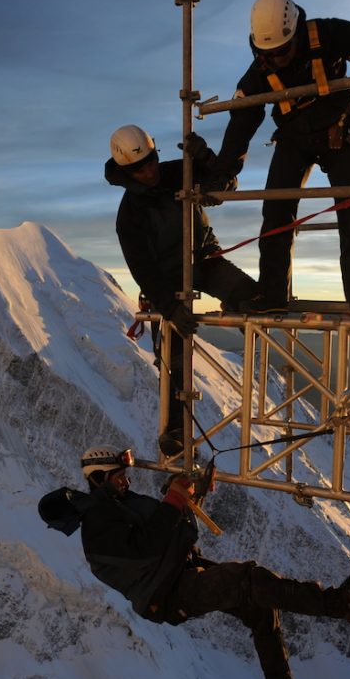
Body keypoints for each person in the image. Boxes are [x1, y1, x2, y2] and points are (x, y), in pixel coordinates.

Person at [37, 445, 350, 679]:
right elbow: (147, 546)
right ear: (99, 479)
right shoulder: (98, 524)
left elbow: (164, 533)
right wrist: (173, 502)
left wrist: (187, 498)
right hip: (170, 593)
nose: (126, 481)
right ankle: (342, 605)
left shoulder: (116, 508)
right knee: (248, 579)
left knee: (259, 606)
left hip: (179, 579)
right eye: (119, 476)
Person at [210, 0, 350, 316]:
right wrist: (225, 172)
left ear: (295, 32)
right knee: (276, 214)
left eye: (281, 51)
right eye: (269, 54)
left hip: (340, 130)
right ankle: (273, 295)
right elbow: (242, 121)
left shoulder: (324, 35)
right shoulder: (259, 71)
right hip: (294, 138)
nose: (276, 59)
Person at [106, 124, 258, 456]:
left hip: (203, 259)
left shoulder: (179, 172)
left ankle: (243, 314)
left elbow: (225, 185)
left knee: (254, 300)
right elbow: (142, 268)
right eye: (139, 169)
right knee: (175, 358)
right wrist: (170, 309)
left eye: (151, 162)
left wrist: (203, 157)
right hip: (167, 281)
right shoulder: (129, 215)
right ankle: (175, 429)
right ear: (125, 172)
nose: (149, 172)